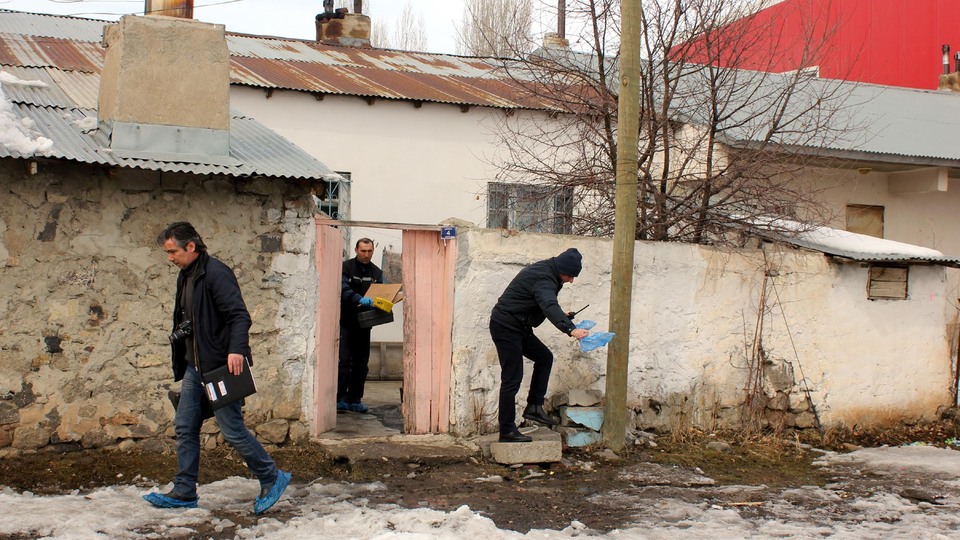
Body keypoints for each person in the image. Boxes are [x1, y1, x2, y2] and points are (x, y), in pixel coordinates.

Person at [144, 222, 291, 514]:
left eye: (173, 251)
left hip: (221, 368)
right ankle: (185, 491)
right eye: (167, 253)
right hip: (194, 367)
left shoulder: (216, 274)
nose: (169, 258)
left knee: (232, 430)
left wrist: (236, 350)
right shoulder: (186, 275)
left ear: (191, 246)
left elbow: (239, 315)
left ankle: (272, 477)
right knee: (185, 426)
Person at [489, 248, 590, 443]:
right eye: (570, 276)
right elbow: (549, 304)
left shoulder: (550, 273)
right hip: (506, 326)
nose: (571, 280)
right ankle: (507, 431)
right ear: (562, 269)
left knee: (544, 358)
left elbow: (543, 305)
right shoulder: (544, 277)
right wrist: (570, 329)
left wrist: (564, 317)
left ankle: (534, 407)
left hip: (520, 326)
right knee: (512, 378)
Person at [337, 237, 383, 413]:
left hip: (365, 324)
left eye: (370, 251)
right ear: (356, 250)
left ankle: (355, 399)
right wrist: (359, 299)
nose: (366, 254)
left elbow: (381, 292)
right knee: (344, 361)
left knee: (361, 363)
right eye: (363, 251)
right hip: (347, 322)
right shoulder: (346, 267)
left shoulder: (376, 273)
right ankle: (339, 398)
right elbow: (343, 289)